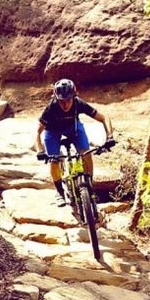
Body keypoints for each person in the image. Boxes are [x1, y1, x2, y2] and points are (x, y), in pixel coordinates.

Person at [35, 78, 115, 207]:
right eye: (62, 102)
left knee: (86, 154)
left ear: (74, 96)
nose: (65, 105)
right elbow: (37, 132)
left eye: (68, 100)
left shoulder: (79, 103)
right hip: (53, 132)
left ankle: (89, 185)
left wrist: (110, 137)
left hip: (73, 129)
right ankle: (60, 192)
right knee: (53, 161)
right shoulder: (51, 108)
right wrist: (40, 151)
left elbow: (104, 118)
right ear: (56, 98)